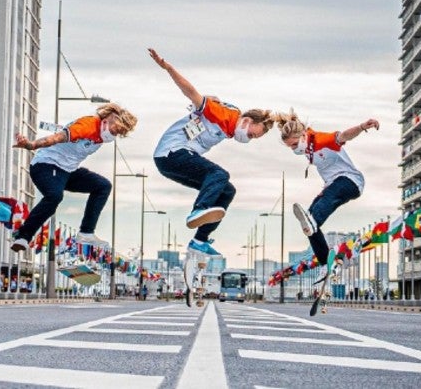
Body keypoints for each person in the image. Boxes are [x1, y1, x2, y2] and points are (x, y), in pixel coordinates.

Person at [149, 48, 274, 257]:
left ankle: (199, 240)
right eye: (252, 135)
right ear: (246, 121)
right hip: (171, 153)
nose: (248, 140)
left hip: (176, 160)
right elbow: (191, 93)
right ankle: (199, 210)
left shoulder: (229, 121)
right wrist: (168, 68)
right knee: (220, 175)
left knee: (227, 190)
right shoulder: (223, 115)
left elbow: (214, 99)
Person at [11, 103, 138, 252]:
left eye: (117, 134)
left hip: (67, 172)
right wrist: (31, 145)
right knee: (54, 196)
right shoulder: (88, 125)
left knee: (103, 186)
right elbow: (56, 138)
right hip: (46, 166)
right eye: (114, 130)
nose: (112, 135)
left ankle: (86, 232)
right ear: (107, 120)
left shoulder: (100, 136)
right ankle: (23, 236)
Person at [274, 110, 380, 278]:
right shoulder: (307, 148)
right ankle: (325, 264)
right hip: (334, 185)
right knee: (309, 223)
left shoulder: (322, 140)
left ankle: (317, 231)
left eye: (294, 145)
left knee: (313, 220)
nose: (294, 149)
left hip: (350, 181)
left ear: (303, 135)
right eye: (290, 147)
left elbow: (343, 135)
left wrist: (361, 127)